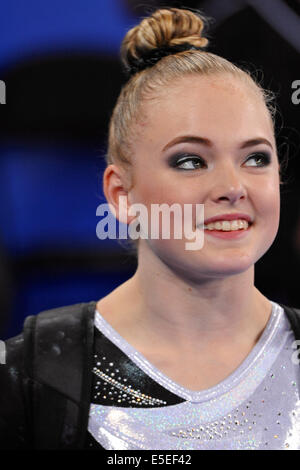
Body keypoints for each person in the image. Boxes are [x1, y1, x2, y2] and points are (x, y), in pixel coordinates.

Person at [1, 7, 300, 451]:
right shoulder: (25, 379)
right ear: (122, 195)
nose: (233, 187)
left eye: (255, 158)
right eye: (190, 161)